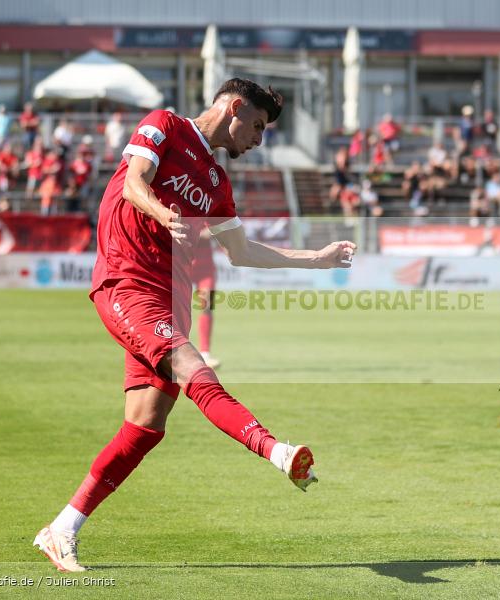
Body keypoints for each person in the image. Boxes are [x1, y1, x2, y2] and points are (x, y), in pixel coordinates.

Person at [33, 78, 355, 572]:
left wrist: (318, 257)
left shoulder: (216, 183)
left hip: (169, 301)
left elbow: (243, 252)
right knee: (194, 367)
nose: (259, 139)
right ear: (234, 107)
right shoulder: (163, 126)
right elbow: (134, 181)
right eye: (258, 126)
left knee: (144, 426)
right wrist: (163, 211)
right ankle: (278, 451)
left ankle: (62, 529)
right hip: (128, 284)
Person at [191, 231, 220, 369]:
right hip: (183, 265)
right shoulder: (181, 210)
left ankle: (205, 353)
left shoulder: (208, 211)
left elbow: (215, 230)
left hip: (206, 269)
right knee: (174, 308)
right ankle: (173, 350)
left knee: (206, 306)